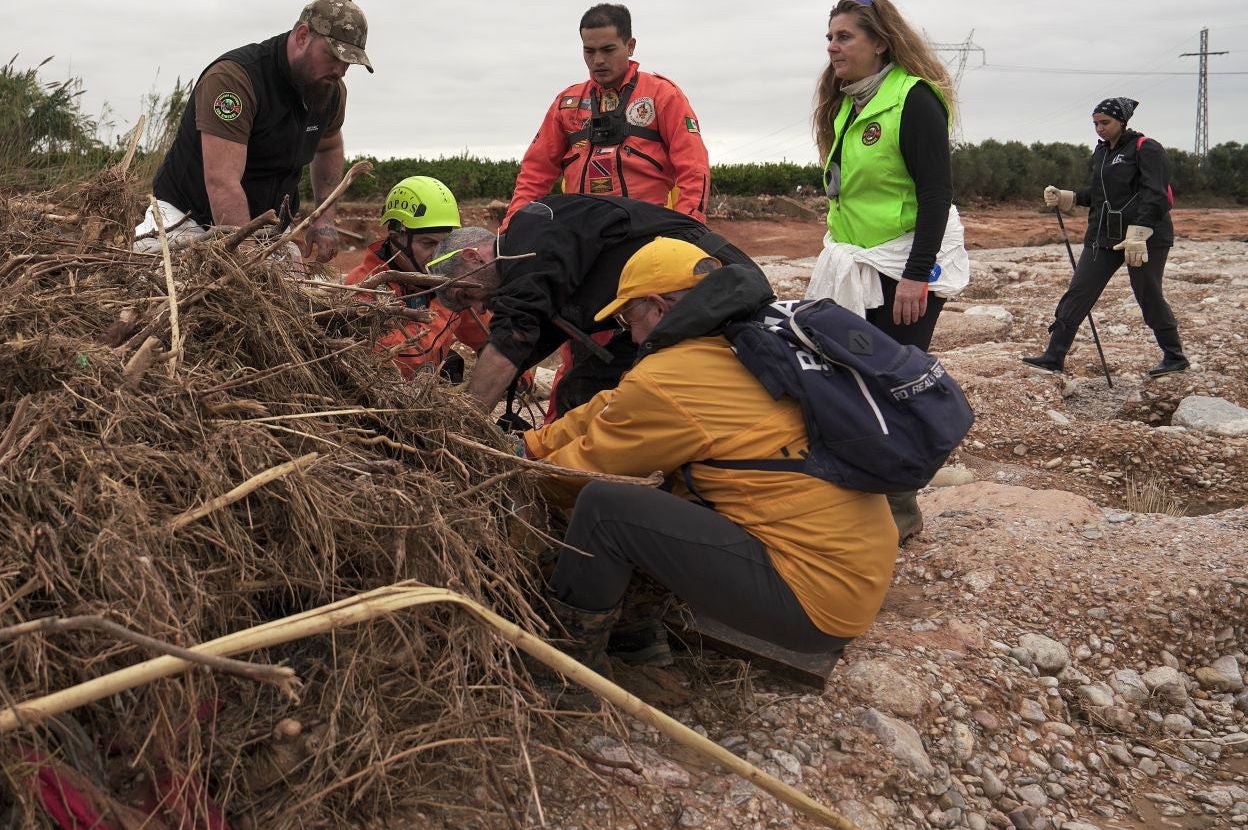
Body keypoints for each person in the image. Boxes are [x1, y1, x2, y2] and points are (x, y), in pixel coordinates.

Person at [522, 239, 900, 664]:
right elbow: (614, 404)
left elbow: (580, 472)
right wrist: (531, 445)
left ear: (658, 306)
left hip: (811, 600)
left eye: (629, 316)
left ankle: (563, 668)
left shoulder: (673, 377)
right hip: (852, 574)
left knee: (604, 506)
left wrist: (514, 478)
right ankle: (637, 632)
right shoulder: (747, 343)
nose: (631, 332)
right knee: (661, 481)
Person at [435, 194, 768, 419]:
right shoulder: (539, 265)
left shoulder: (530, 233)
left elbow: (513, 335)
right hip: (680, 303)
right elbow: (522, 345)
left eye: (467, 295)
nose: (479, 309)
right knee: (580, 391)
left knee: (641, 395)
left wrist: (460, 424)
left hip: (715, 284)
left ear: (471, 257)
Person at [141, 0, 368, 263]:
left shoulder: (329, 90)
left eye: (348, 63)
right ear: (303, 36)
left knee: (295, 293)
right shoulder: (234, 80)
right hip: (184, 222)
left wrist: (325, 218)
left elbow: (329, 145)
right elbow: (222, 182)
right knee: (163, 280)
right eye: (332, 56)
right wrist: (250, 266)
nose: (341, 71)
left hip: (265, 231)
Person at [804, 0, 967, 350]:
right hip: (862, 259)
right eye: (829, 38)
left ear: (879, 42)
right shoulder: (849, 103)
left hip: (903, 264)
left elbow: (936, 193)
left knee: (895, 377)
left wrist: (916, 275)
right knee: (851, 369)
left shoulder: (914, 99)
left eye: (844, 37)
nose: (832, 47)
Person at [1023, 97, 1187, 377]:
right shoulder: (1101, 153)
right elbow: (1099, 196)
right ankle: (1054, 356)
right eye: (1096, 123)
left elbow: (1157, 195)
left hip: (1146, 237)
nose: (1099, 128)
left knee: (1147, 293)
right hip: (1103, 235)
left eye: (1105, 123)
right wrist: (1068, 196)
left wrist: (1139, 232)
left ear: (1122, 121)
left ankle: (1174, 356)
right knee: (1078, 292)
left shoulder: (1146, 148)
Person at [504, 3, 710, 225]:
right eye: (589, 51)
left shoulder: (662, 96)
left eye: (608, 50)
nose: (598, 60)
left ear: (630, 46)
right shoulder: (567, 103)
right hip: (578, 230)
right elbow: (535, 172)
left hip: (645, 228)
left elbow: (694, 168)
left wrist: (686, 226)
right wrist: (513, 227)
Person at [343, 177, 491, 381]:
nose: (438, 255)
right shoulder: (363, 286)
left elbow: (485, 335)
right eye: (428, 244)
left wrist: (514, 374)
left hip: (427, 399)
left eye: (444, 245)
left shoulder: (439, 278)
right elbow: (401, 358)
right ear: (396, 240)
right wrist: (447, 300)